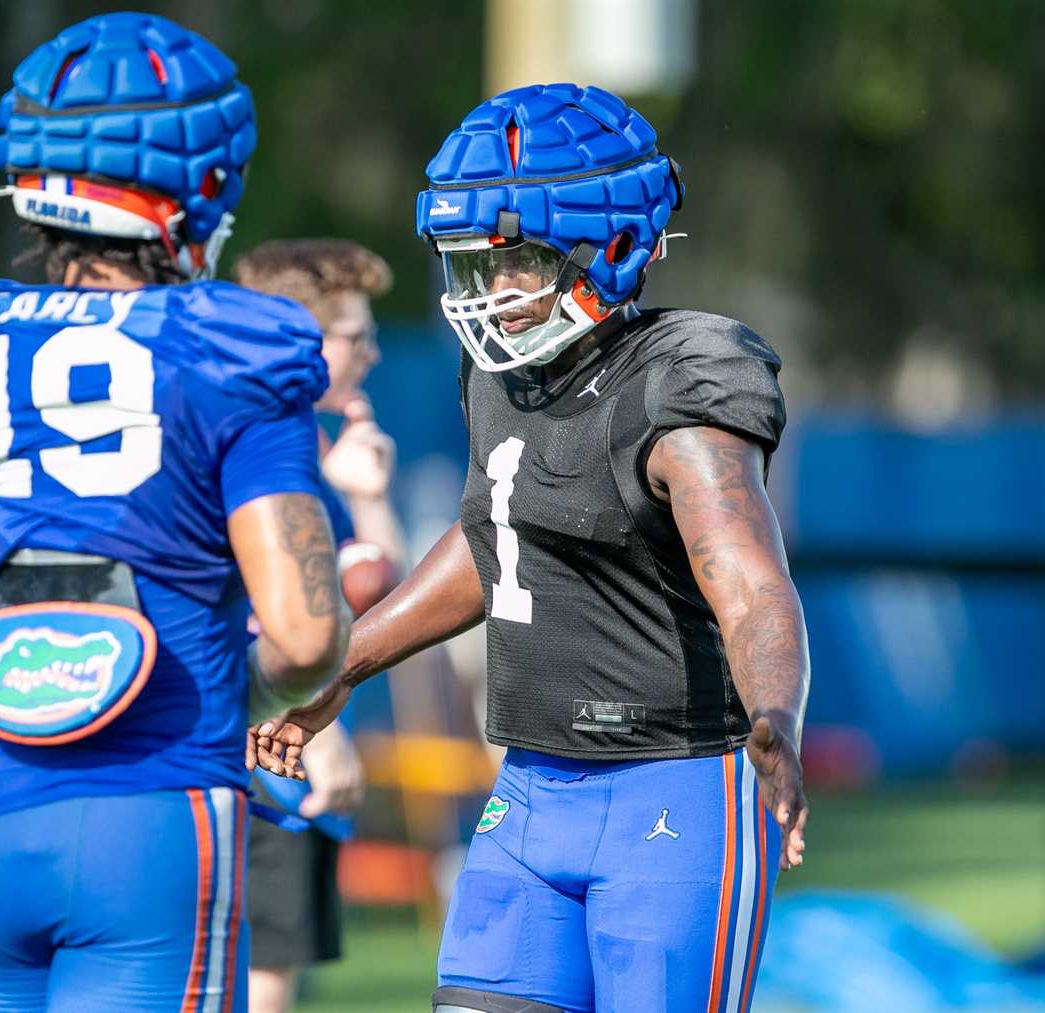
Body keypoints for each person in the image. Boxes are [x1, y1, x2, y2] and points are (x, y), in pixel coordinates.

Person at [252, 84, 811, 1013]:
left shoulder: (682, 380)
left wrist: (778, 719)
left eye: (521, 260)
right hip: (530, 784)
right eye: (479, 262)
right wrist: (341, 666)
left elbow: (751, 584)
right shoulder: (502, 374)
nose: (494, 291)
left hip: (675, 788)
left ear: (615, 245)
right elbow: (491, 540)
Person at [0, 13, 349, 1012]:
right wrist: (228, 703)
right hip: (154, 813)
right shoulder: (233, 346)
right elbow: (302, 637)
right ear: (201, 182)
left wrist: (2, 685)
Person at [233, 240, 402, 1013]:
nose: (370, 350)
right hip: (261, 763)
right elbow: (243, 606)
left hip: (288, 752)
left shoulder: (320, 444)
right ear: (300, 337)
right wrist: (319, 734)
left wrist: (365, 494)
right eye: (353, 334)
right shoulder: (258, 445)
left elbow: (386, 597)